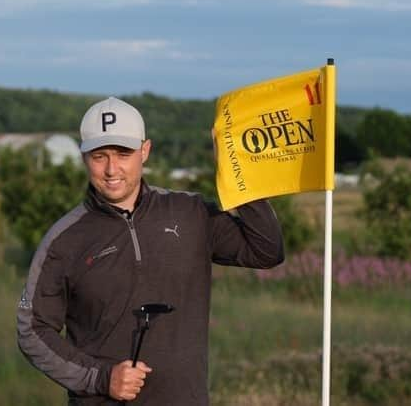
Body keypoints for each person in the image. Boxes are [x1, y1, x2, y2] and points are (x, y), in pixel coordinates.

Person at [17, 97, 285, 405]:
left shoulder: (190, 212)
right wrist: (100, 377)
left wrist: (239, 173)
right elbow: (33, 330)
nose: (111, 169)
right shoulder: (63, 240)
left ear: (145, 151)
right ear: (84, 157)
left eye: (123, 153)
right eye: (99, 156)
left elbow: (266, 250)